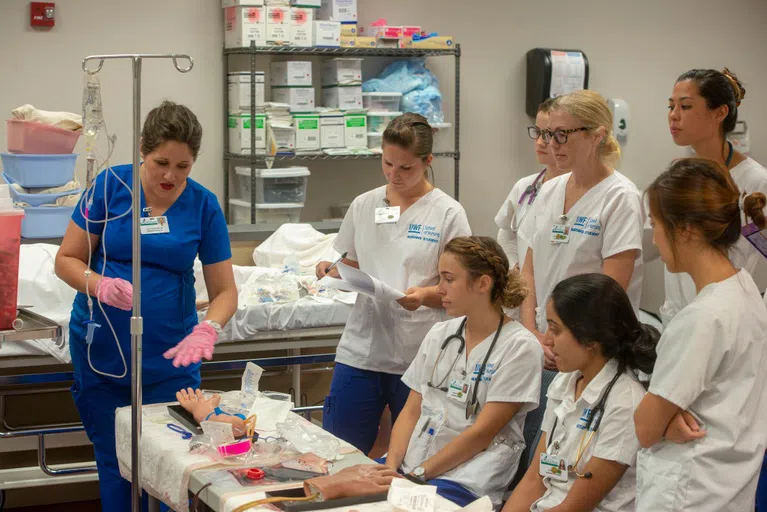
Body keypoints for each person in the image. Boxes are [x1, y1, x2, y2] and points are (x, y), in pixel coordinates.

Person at [55, 101, 237, 511]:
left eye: (183, 166)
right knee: (116, 463)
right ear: (142, 149)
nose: (171, 176)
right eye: (161, 163)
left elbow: (224, 291)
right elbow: (66, 259)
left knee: (173, 466)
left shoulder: (204, 206)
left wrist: (209, 327)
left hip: (170, 360)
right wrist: (99, 285)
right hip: (103, 356)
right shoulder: (107, 188)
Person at [316, 113, 471, 455]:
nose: (394, 175)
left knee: (412, 456)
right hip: (362, 348)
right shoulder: (365, 204)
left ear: (428, 162)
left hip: (419, 354)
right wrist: (332, 270)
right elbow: (352, 261)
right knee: (338, 451)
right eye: (387, 164)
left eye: (406, 168)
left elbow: (461, 285)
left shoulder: (447, 214)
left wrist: (426, 295)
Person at [633, 158, 767, 511]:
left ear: (686, 230)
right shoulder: (746, 291)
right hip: (728, 486)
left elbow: (645, 427)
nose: (654, 238)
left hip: (688, 492)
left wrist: (660, 419)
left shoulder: (703, 318)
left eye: (656, 225)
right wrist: (666, 415)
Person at [384, 236, 543, 507]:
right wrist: (390, 468)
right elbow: (412, 410)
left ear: (482, 283)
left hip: (470, 476)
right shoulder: (440, 334)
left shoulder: (520, 348)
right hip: (414, 464)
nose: (439, 289)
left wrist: (417, 475)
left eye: (448, 279)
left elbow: (481, 434)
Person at [504, 273, 658, 512]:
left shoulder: (625, 402)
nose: (546, 339)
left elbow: (573, 507)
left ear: (589, 339)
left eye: (555, 330)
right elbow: (534, 479)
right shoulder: (566, 381)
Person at [518, 90, 644, 370]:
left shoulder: (620, 197)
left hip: (590, 350)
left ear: (596, 135)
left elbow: (610, 290)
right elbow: (529, 270)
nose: (552, 144)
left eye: (562, 134)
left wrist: (562, 341)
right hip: (543, 344)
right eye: (548, 134)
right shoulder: (549, 190)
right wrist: (532, 333)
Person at [660, 67, 767, 325]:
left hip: (724, 320)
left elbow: (762, 248)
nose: (673, 116)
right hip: (676, 318)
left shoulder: (755, 182)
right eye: (671, 106)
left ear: (719, 112)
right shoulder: (679, 173)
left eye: (685, 107)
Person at [495, 98, 567, 271]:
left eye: (548, 134)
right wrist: (515, 268)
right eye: (537, 132)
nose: (540, 142)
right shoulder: (525, 186)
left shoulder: (577, 189)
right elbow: (506, 233)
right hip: (525, 288)